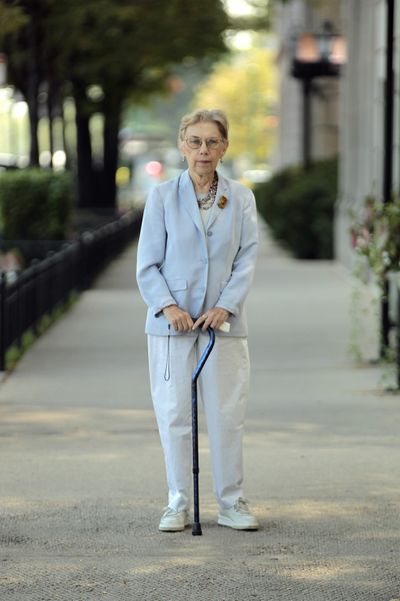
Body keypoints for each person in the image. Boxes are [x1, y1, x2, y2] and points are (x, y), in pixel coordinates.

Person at [136, 108, 259, 532]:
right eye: (194, 141)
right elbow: (148, 264)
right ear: (181, 145)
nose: (202, 151)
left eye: (211, 142)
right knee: (173, 414)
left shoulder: (240, 197)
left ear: (224, 147)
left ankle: (231, 502)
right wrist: (168, 306)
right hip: (173, 327)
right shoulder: (162, 197)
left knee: (226, 414)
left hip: (222, 326)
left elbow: (245, 260)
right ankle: (177, 502)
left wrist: (225, 305)